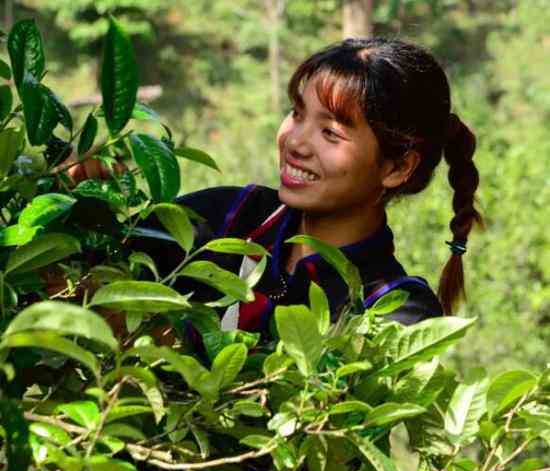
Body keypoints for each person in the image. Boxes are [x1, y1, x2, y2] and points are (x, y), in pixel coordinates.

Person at [74, 38, 483, 338]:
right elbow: (89, 282)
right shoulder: (229, 216)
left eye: (330, 132)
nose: (295, 141)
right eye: (297, 113)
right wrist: (77, 215)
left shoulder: (395, 310)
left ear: (397, 167)